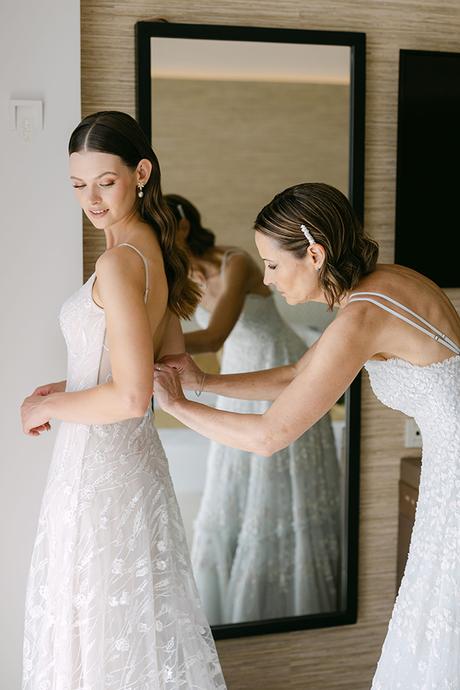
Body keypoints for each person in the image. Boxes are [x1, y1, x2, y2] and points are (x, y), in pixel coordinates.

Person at [155, 182, 460, 689]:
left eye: (273, 265)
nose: (268, 280)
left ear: (314, 254)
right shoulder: (381, 284)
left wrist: (178, 406)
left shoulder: (362, 315)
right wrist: (204, 381)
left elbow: (269, 435)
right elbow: (300, 371)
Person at [19, 111, 226, 690]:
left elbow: (135, 395)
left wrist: (48, 408)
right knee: (127, 626)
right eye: (78, 185)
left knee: (102, 631)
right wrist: (71, 386)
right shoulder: (149, 249)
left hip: (100, 467)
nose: (91, 198)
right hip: (123, 463)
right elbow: (153, 367)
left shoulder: (118, 261)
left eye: (105, 182)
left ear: (140, 173)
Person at [163, 193, 341, 626]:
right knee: (233, 479)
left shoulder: (238, 263)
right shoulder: (180, 276)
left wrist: (145, 349)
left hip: (274, 363)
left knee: (280, 475)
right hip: (239, 374)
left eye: (164, 229)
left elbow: (215, 335)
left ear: (184, 227)